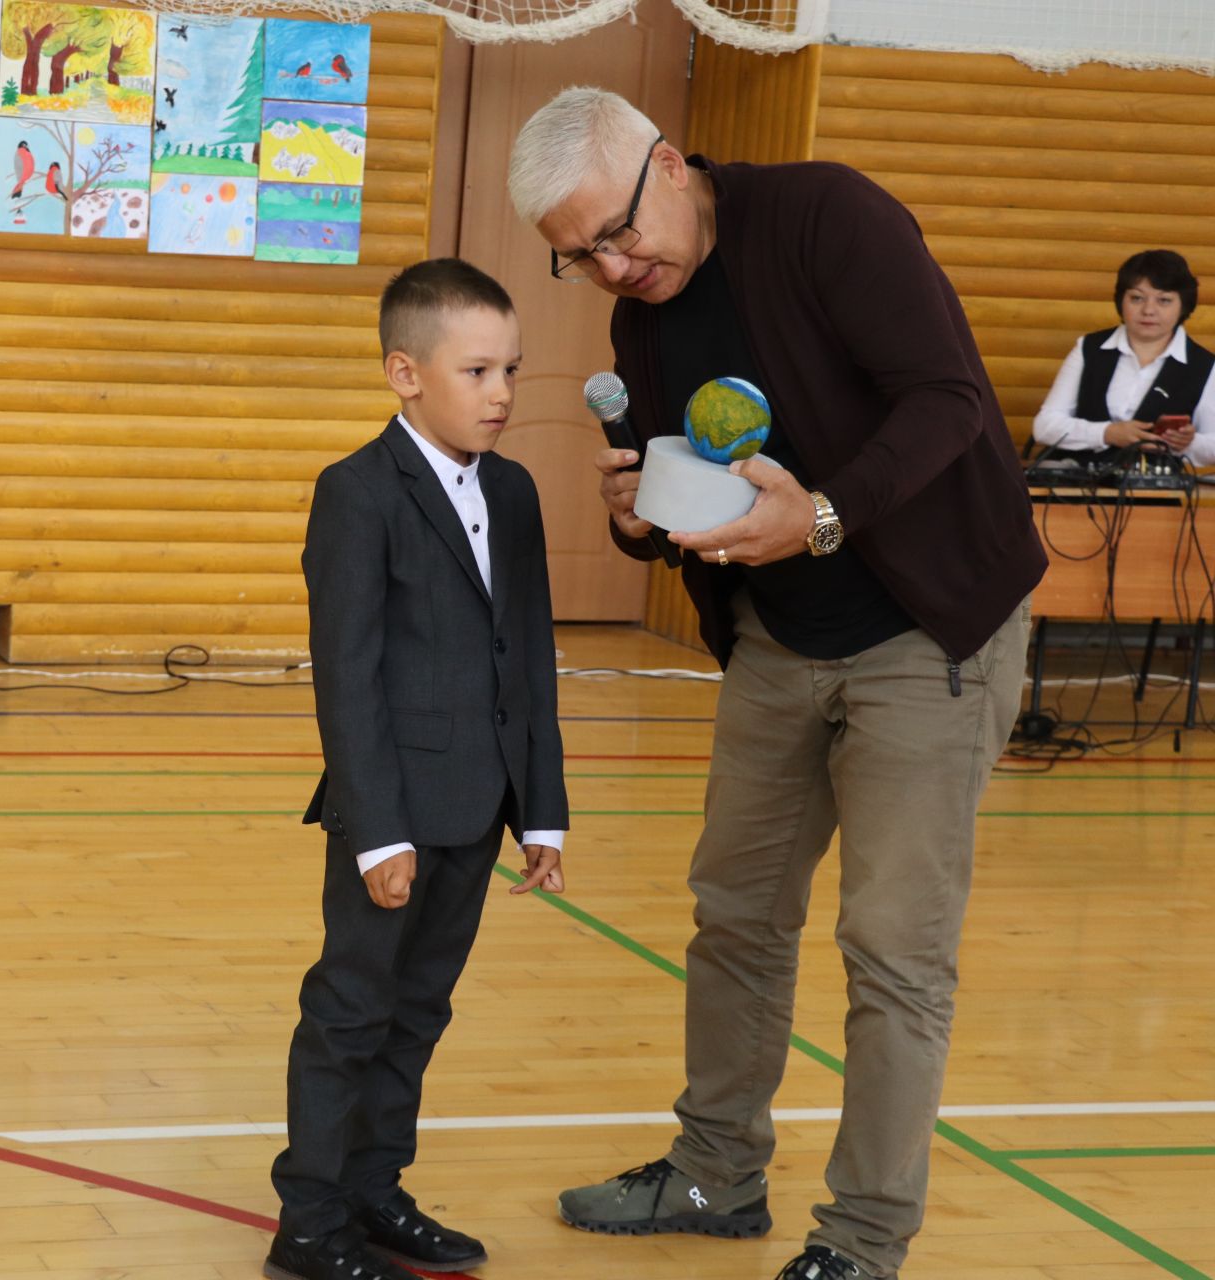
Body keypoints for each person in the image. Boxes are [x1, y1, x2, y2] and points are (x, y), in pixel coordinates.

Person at [505, 87, 1045, 1280]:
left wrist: (827, 514)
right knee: (736, 917)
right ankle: (715, 1171)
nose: (613, 264)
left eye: (618, 229)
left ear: (667, 159)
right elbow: (698, 502)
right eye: (579, 255)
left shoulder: (825, 219)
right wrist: (642, 518)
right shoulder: (640, 321)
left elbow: (951, 400)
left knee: (894, 949)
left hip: (930, 630)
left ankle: (862, 1238)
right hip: (778, 642)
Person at [266, 258, 570, 1280]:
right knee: (351, 1009)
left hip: (477, 808)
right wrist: (379, 829)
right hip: (390, 814)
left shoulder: (518, 493)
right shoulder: (356, 493)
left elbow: (527, 658)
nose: (501, 393)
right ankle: (308, 1221)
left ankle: (373, 1187)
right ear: (405, 373)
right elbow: (346, 675)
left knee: (420, 1009)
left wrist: (544, 813)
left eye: (512, 372)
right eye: (478, 370)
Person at [1032, 249, 1213, 464]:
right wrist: (1106, 433)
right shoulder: (1089, 348)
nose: (1148, 310)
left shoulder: (1204, 365)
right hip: (1077, 488)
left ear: (1184, 305)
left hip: (1156, 493)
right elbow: (1044, 426)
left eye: (1164, 300)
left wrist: (1187, 443)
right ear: (1121, 300)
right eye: (1137, 298)